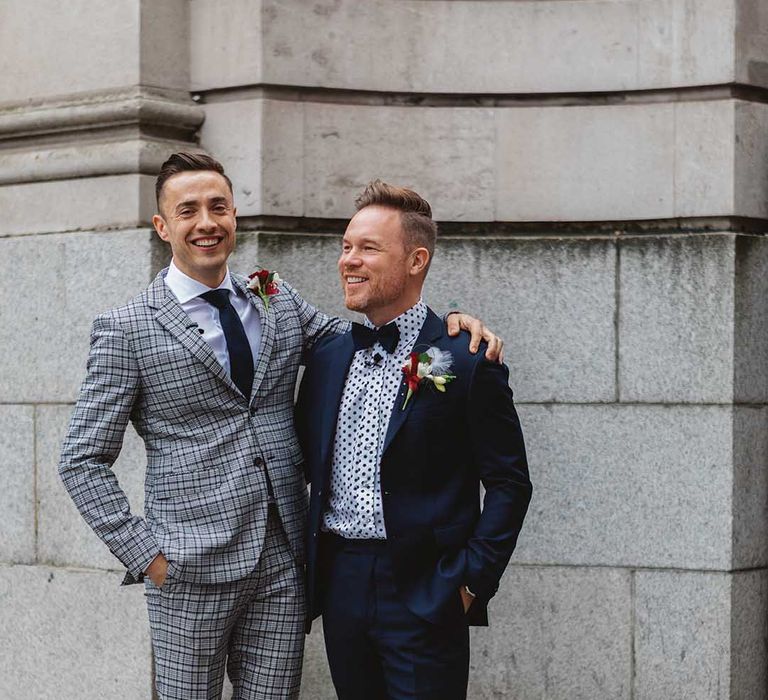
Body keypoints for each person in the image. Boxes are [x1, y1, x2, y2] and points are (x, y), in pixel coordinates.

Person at [58, 153, 501, 700]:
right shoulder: (126, 328)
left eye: (218, 206)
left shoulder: (272, 296)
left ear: (235, 216)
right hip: (187, 569)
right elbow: (81, 459)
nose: (206, 222)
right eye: (187, 210)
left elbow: (367, 342)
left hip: (283, 569)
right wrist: (146, 556)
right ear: (162, 226)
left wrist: (453, 330)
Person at [297, 180, 532, 700]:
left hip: (428, 590)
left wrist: (470, 584)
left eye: (368, 248)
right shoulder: (326, 358)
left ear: (416, 260)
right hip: (342, 583)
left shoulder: (466, 358)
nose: (349, 261)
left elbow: (510, 483)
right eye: (346, 246)